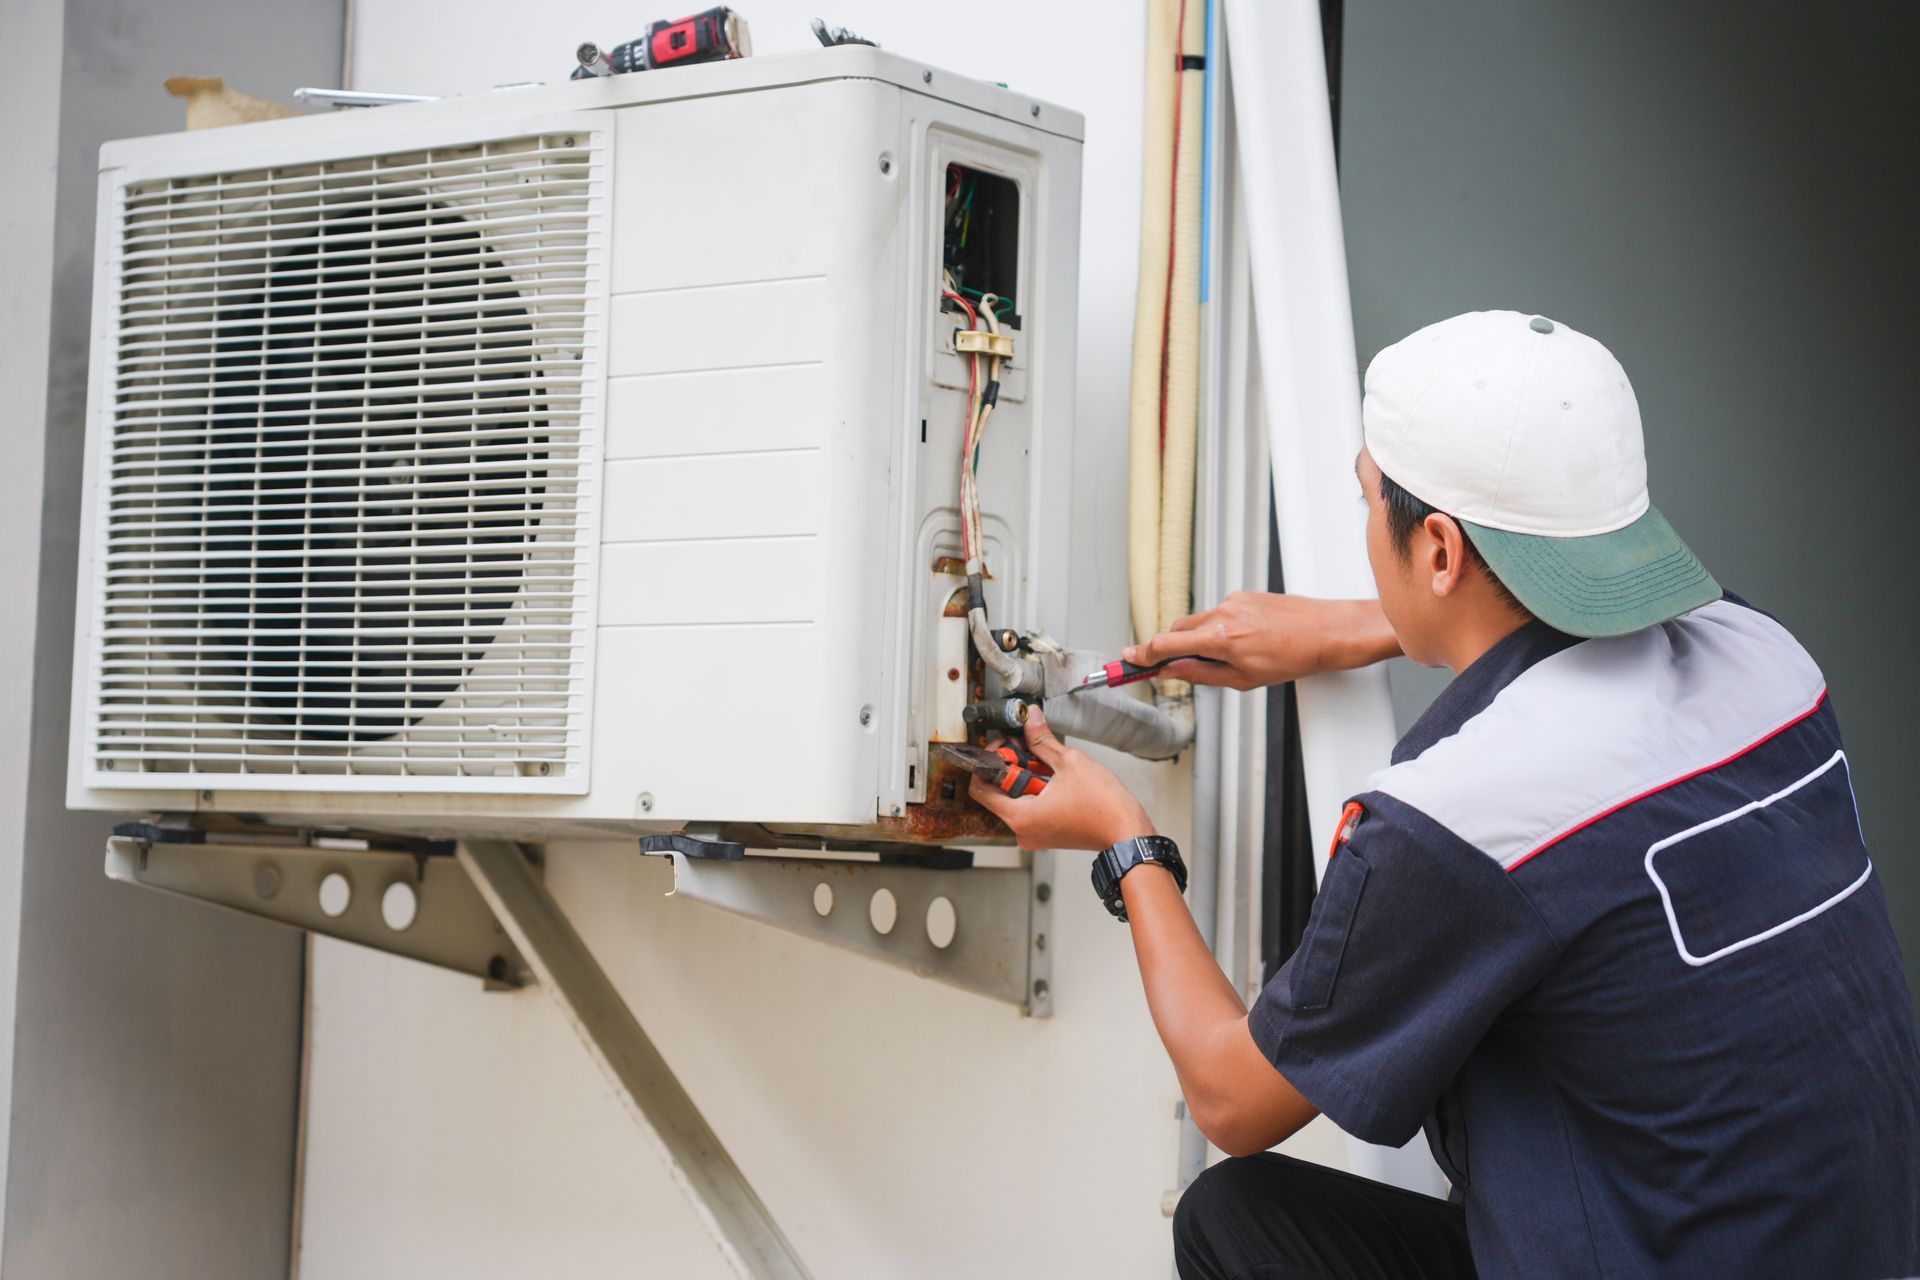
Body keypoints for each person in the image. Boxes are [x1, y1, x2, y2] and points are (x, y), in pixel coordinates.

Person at [973, 312, 1920, 1279]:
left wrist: (1124, 837)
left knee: (1233, 1220)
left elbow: (1231, 1100)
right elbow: (1588, 624)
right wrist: (1358, 628)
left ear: (1437, 550)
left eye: (1366, 497)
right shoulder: (1766, 658)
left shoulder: (1463, 821)